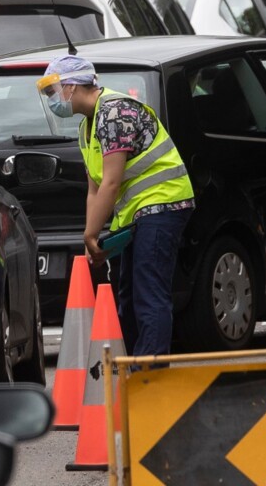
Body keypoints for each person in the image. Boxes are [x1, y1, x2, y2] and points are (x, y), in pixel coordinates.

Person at [36, 55, 195, 356]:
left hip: (163, 203)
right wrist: (90, 236)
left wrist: (91, 234)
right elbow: (94, 190)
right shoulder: (87, 127)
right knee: (129, 294)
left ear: (71, 86)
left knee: (149, 292)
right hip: (137, 212)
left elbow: (110, 183)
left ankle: (149, 368)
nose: (52, 101)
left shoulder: (114, 113)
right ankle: (131, 365)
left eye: (52, 92)